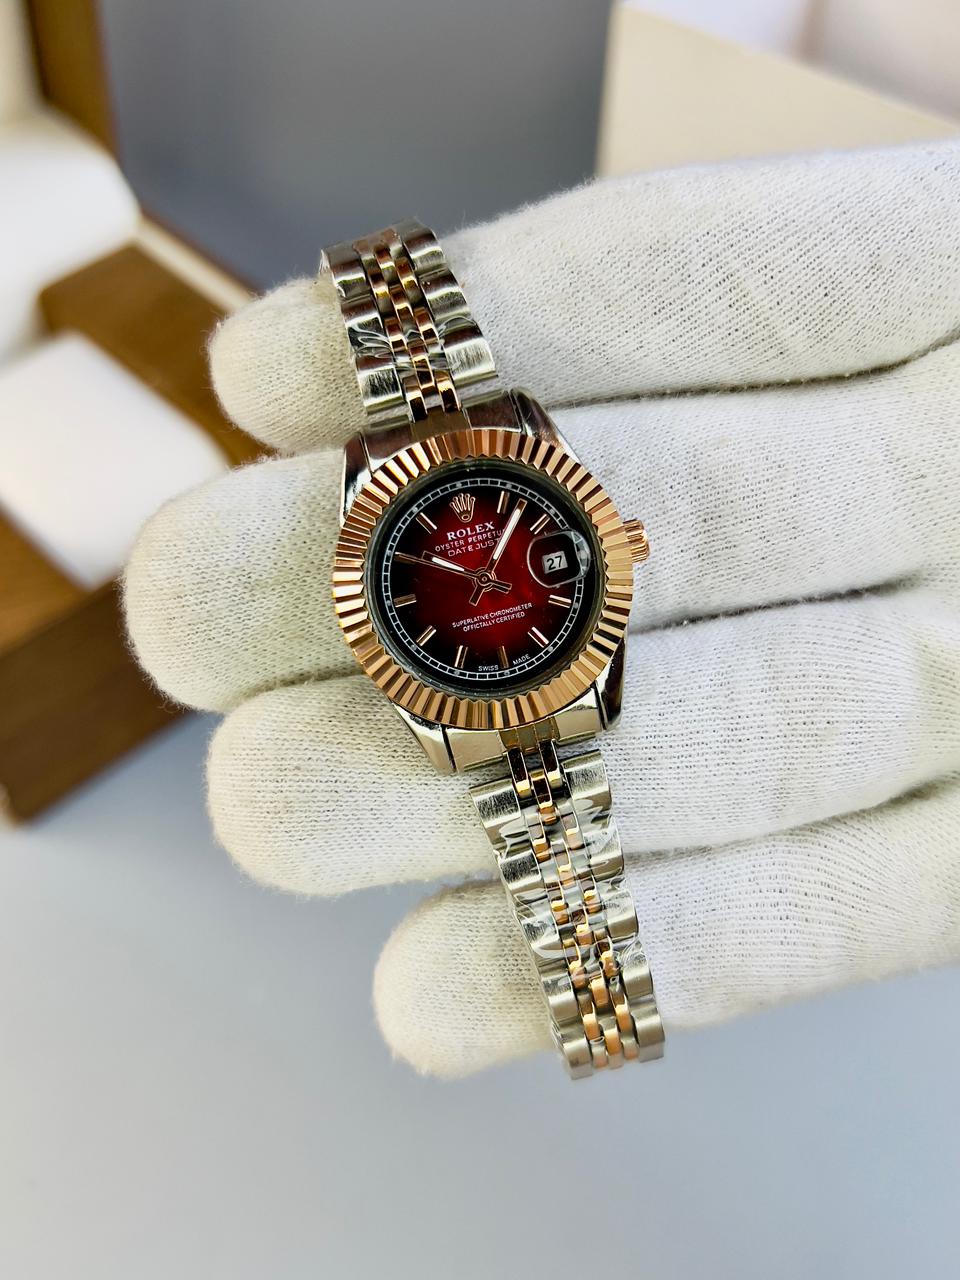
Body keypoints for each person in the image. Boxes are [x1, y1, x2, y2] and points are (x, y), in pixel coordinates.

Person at [125, 140, 960, 1078]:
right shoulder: (411, 564)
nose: (487, 586)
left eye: (498, 573)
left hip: (522, 656)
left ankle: (597, 1000)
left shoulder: (540, 539)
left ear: (611, 538)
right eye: (471, 581)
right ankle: (596, 996)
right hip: (494, 671)